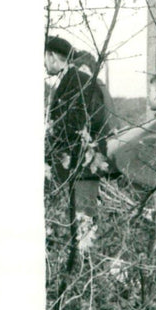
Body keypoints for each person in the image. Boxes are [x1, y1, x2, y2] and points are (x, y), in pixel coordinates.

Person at [44, 35, 109, 248]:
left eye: (44, 58)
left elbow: (91, 122)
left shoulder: (79, 82)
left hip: (81, 168)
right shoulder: (70, 81)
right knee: (75, 227)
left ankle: (83, 274)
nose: (44, 64)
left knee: (83, 229)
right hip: (72, 168)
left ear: (52, 56)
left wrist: (53, 133)